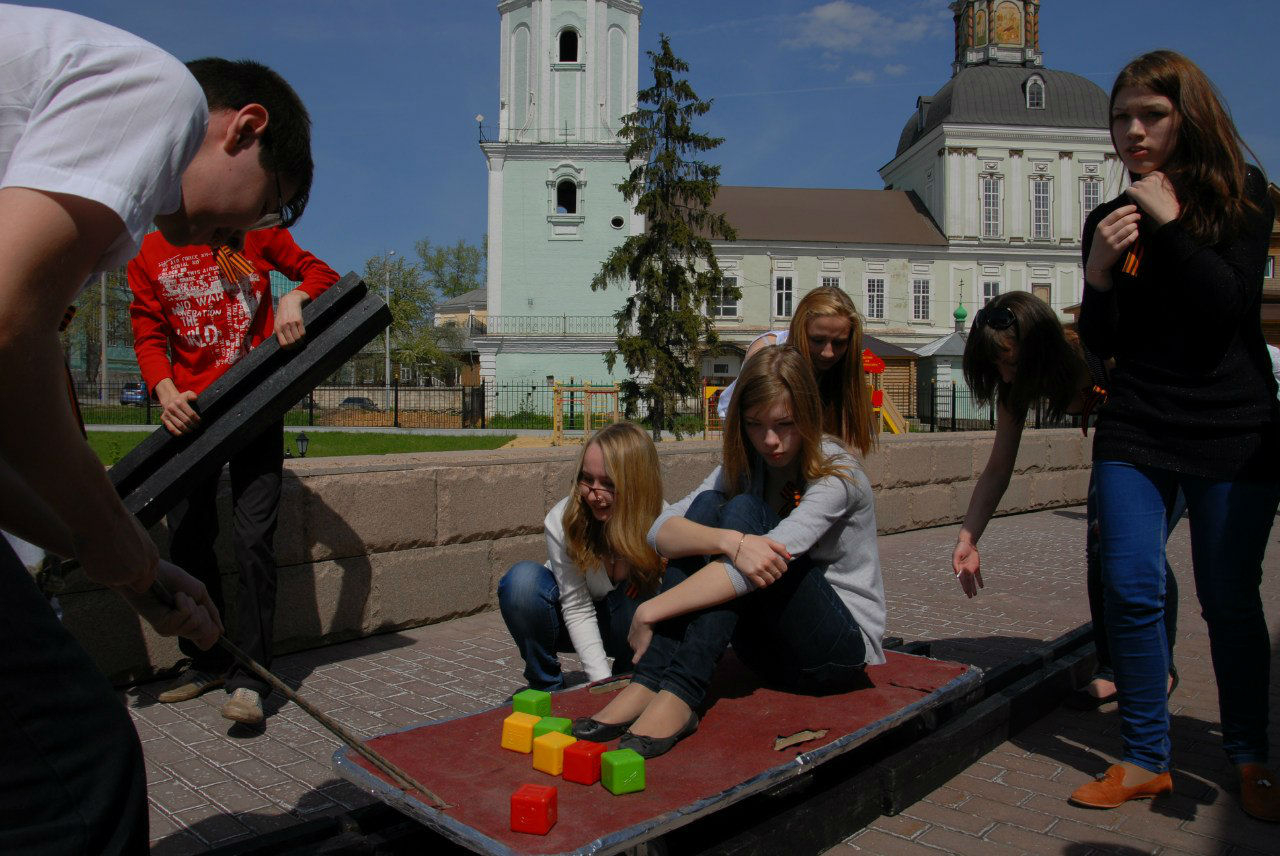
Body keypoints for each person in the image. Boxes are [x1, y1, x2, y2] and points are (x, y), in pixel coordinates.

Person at [0, 5, 314, 849]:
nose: (242, 236)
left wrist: (136, 569)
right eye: (269, 208)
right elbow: (8, 331)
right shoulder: (158, 94)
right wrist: (116, 541)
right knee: (79, 766)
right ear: (245, 128)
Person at [1071, 50, 1279, 822]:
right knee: (1129, 585)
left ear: (1187, 117)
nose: (1133, 131)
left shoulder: (1244, 196)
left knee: (1229, 599)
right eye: (1121, 117)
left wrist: (1171, 222)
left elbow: (1226, 307)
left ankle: (1249, 754)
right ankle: (1144, 759)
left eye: (1150, 115)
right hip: (1137, 424)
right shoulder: (1109, 219)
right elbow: (1103, 342)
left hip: (1233, 428)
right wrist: (1097, 274)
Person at [576, 346, 884, 758]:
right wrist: (727, 541)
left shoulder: (837, 473)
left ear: (809, 416)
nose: (769, 440)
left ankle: (681, 692)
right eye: (755, 424)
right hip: (767, 654)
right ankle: (649, 681)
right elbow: (660, 530)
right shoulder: (747, 464)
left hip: (835, 655)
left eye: (785, 424)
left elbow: (764, 562)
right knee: (709, 508)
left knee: (743, 510)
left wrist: (650, 610)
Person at [128, 225, 339, 725]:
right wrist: (165, 391)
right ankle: (208, 659)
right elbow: (148, 331)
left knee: (253, 542)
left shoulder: (253, 230)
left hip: (256, 401)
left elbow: (322, 274)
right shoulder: (148, 251)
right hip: (190, 413)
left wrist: (294, 298)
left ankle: (252, 678)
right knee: (188, 539)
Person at [952, 291, 1181, 708]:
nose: (1005, 376)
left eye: (1012, 363)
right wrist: (968, 538)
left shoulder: (1099, 354)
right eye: (996, 366)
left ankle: (1158, 667)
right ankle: (1112, 667)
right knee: (1098, 547)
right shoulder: (1012, 389)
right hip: (1119, 446)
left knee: (1141, 548)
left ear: (1041, 348)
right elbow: (998, 468)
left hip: (1170, 438)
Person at [498, 421, 666, 691]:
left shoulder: (663, 522)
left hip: (627, 627)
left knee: (647, 597)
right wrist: (599, 683)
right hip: (568, 617)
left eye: (608, 483)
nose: (593, 494)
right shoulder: (562, 520)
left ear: (637, 484)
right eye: (587, 479)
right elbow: (577, 608)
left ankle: (629, 677)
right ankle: (546, 685)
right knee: (522, 583)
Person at [716, 287, 876, 457]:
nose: (828, 352)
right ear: (800, 331)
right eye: (817, 340)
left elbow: (849, 444)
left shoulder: (842, 369)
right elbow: (730, 414)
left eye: (839, 343)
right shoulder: (768, 353)